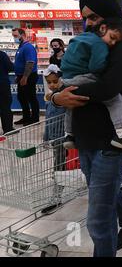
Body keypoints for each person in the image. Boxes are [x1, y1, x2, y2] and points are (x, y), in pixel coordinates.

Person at [51, 0, 122, 257]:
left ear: (109, 15)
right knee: (101, 190)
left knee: (97, 220)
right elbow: (65, 81)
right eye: (85, 18)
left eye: (94, 16)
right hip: (85, 138)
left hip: (111, 142)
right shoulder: (90, 44)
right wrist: (58, 97)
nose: (89, 22)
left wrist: (61, 95)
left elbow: (108, 88)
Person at [60, 18, 122, 152]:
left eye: (115, 41)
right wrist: (106, 66)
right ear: (103, 28)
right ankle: (121, 135)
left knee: (71, 105)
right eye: (112, 37)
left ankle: (69, 135)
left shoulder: (81, 37)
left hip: (67, 78)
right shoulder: (99, 44)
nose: (112, 43)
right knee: (116, 100)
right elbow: (95, 66)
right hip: (82, 77)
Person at [41, 64, 67, 215]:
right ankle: (57, 194)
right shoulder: (49, 98)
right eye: (49, 82)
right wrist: (45, 138)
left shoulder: (63, 96)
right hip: (55, 139)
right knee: (58, 166)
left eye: (54, 81)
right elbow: (47, 121)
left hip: (64, 138)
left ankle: (56, 196)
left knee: (59, 167)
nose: (52, 84)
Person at [12, 28, 39, 126]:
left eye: (15, 36)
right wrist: (18, 76)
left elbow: (30, 63)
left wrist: (25, 77)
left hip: (29, 76)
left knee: (31, 97)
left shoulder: (28, 47)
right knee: (22, 97)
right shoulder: (21, 46)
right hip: (21, 76)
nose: (14, 38)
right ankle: (26, 117)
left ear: (22, 34)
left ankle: (35, 119)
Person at [0, 50, 14, 134]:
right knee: (5, 106)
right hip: (2, 84)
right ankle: (8, 128)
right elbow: (10, 67)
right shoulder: (2, 54)